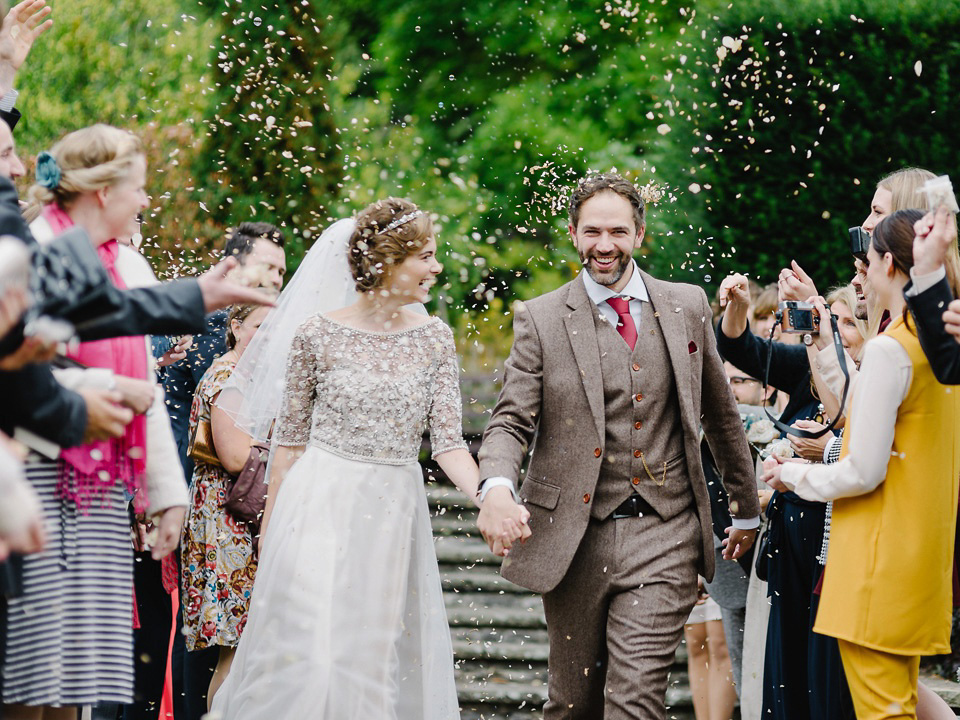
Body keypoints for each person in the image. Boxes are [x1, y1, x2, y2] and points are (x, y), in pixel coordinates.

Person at [209, 198, 522, 719]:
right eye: (425, 256)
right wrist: (272, 534)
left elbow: (447, 444)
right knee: (308, 651)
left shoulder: (433, 339)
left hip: (390, 509)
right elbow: (288, 446)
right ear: (388, 262)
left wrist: (490, 496)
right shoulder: (316, 332)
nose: (437, 267)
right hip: (316, 501)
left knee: (370, 653)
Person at [477, 172, 760, 719]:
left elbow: (721, 418)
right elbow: (511, 422)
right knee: (573, 703)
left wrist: (745, 512)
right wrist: (496, 486)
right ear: (572, 233)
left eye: (617, 231)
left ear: (640, 232)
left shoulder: (686, 305)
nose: (604, 245)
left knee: (634, 701)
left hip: (667, 532)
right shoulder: (540, 319)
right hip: (574, 539)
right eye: (591, 232)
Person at [3, 124, 191, 718]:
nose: (146, 199)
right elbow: (17, 372)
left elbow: (148, 392)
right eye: (138, 186)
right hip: (32, 478)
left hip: (102, 493)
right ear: (105, 193)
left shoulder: (132, 270)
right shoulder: (32, 251)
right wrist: (106, 387)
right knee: (28, 677)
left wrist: (167, 494)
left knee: (79, 681)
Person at [763, 209, 960, 720]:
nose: (861, 275)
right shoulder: (937, 349)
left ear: (889, 264)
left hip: (875, 566)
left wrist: (790, 474)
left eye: (867, 261)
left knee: (882, 712)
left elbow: (862, 471)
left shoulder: (891, 351)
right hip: (922, 565)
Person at [180, 301, 269, 711]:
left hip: (231, 514)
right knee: (235, 649)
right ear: (235, 327)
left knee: (244, 648)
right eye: (259, 327)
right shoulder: (227, 375)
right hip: (225, 521)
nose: (268, 338)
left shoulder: (246, 375)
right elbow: (234, 458)